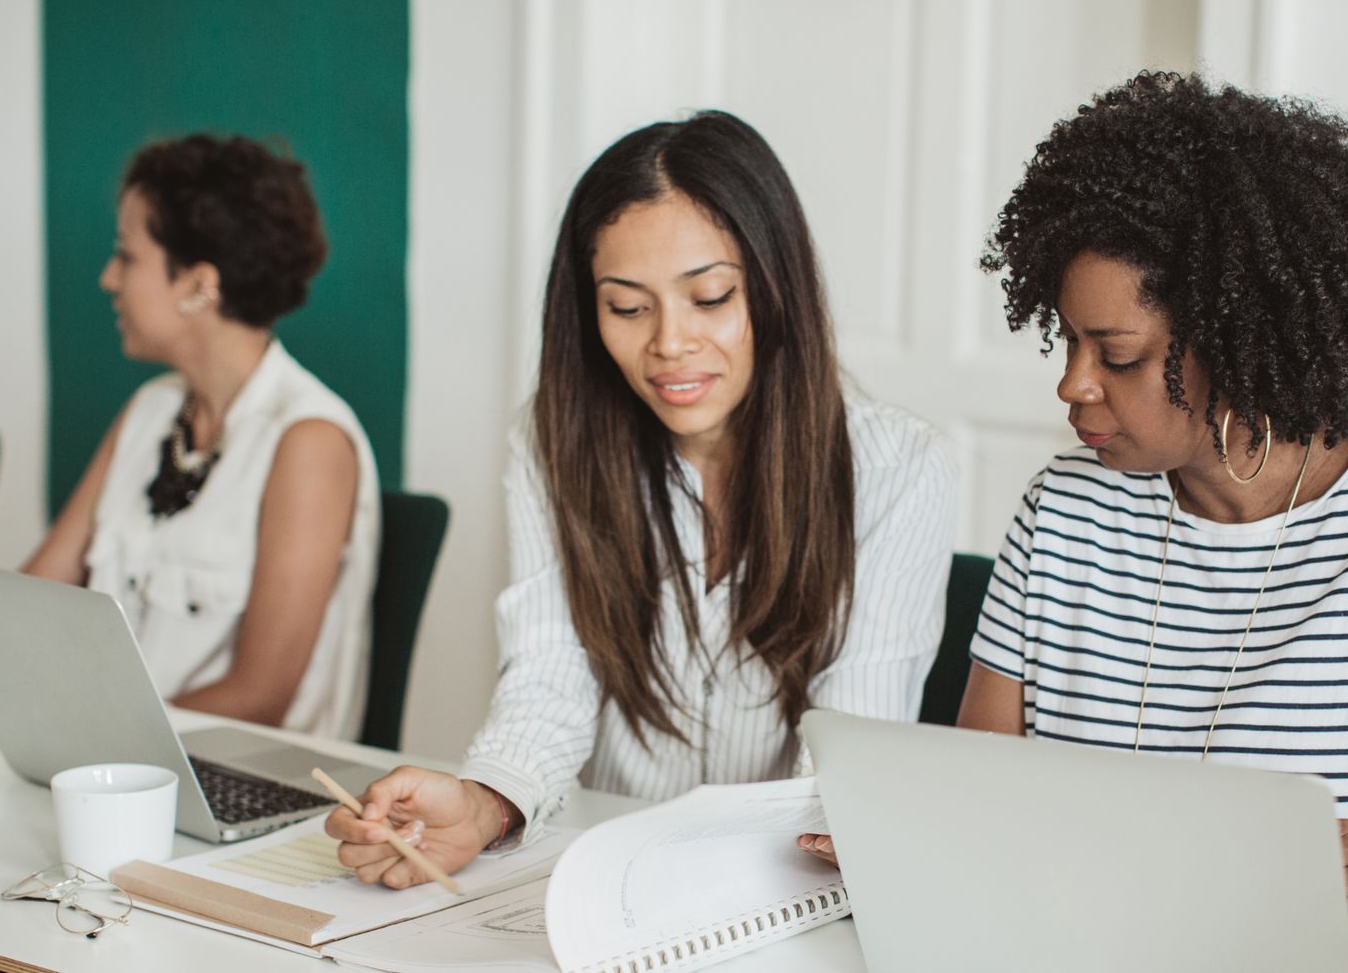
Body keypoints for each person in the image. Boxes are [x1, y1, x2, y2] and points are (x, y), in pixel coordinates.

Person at [803, 72, 1348, 953]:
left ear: (1242, 342)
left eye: (1116, 356)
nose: (1071, 385)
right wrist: (902, 841)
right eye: (1067, 340)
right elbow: (980, 794)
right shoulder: (1064, 513)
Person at [326, 111, 956, 887]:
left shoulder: (898, 466)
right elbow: (550, 672)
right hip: (603, 871)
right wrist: (486, 804)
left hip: (782, 885)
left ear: (774, 287)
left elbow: (850, 743)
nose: (668, 343)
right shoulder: (552, 443)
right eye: (627, 307)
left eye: (711, 297)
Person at [0, 134, 379, 738]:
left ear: (198, 284)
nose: (107, 278)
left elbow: (260, 697)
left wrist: (81, 739)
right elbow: (24, 602)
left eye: (126, 257)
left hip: (230, 778)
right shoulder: (149, 412)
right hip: (120, 762)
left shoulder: (309, 441)